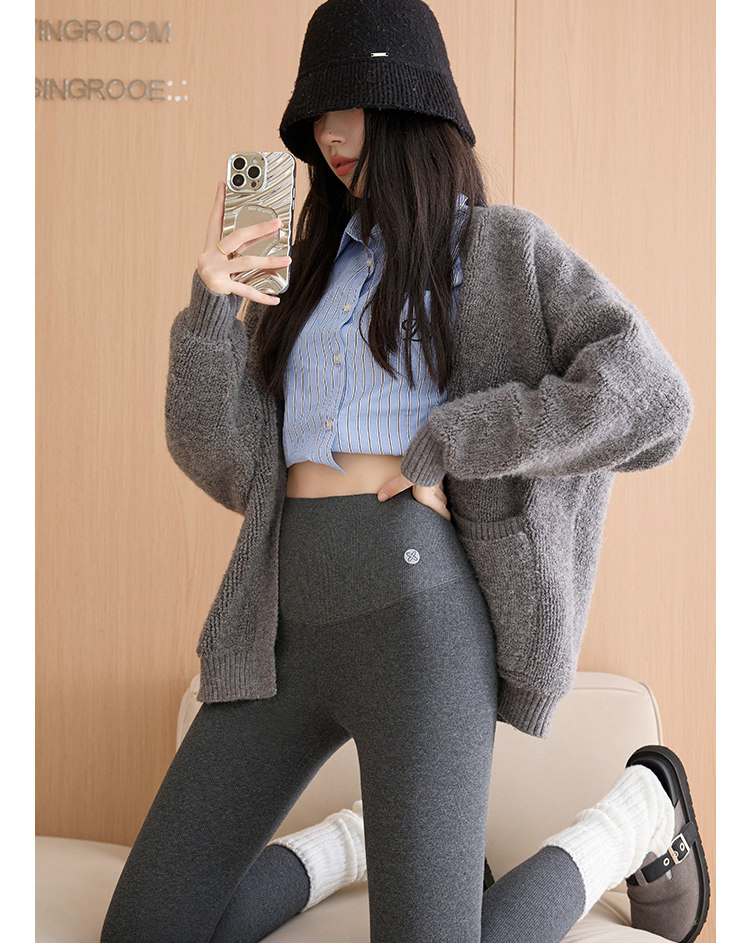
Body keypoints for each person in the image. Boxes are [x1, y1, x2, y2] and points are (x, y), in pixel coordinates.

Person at [100, 1, 710, 941]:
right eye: (316, 118)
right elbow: (226, 462)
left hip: (421, 625)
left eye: (347, 107)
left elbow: (655, 401)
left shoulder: (500, 249)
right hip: (279, 626)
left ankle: (627, 823)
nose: (328, 136)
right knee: (145, 929)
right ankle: (344, 845)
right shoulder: (307, 272)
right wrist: (213, 310)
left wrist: (458, 437)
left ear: (408, 107)